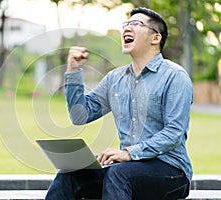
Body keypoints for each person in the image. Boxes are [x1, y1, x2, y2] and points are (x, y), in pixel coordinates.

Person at [45, 7, 193, 200]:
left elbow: (174, 132)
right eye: (125, 25)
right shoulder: (114, 79)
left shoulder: (175, 77)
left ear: (155, 38)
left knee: (118, 174)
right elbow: (80, 116)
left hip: (171, 171)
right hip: (127, 170)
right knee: (70, 174)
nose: (127, 29)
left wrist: (129, 154)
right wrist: (73, 71)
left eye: (135, 24)